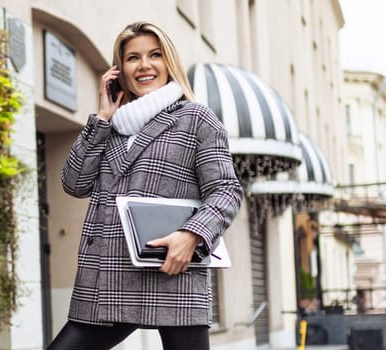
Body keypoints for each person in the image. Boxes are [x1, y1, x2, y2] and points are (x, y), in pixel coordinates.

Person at [51, 21, 243, 349]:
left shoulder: (195, 118)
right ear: (119, 70)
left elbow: (226, 189)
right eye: (133, 58)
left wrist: (192, 235)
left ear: (169, 62)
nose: (144, 65)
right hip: (107, 280)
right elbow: (74, 183)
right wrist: (101, 119)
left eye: (155, 55)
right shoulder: (109, 128)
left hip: (172, 271)